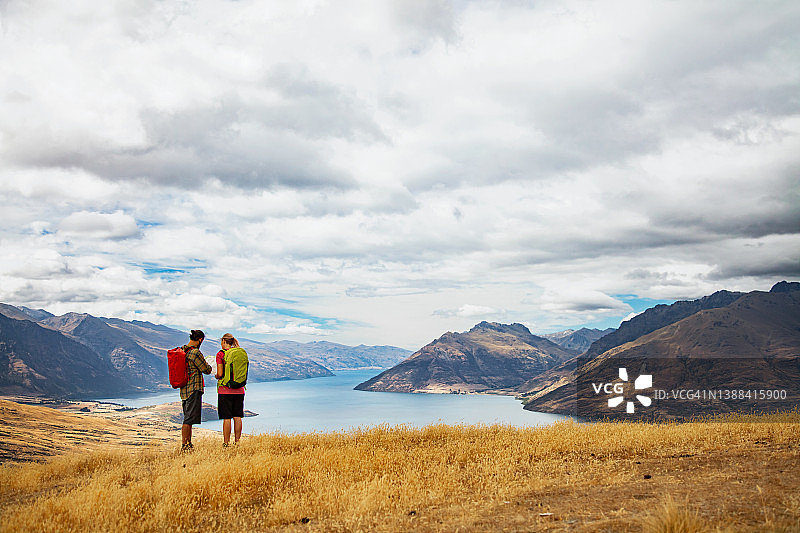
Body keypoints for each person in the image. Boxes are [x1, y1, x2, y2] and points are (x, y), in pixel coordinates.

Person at [180, 329, 212, 452]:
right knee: (188, 419)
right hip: (193, 388)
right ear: (200, 340)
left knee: (188, 417)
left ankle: (188, 444)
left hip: (184, 389)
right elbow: (206, 369)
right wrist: (210, 365)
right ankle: (185, 445)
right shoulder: (195, 353)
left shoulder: (182, 350)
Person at [215, 333, 248, 447]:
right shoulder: (239, 353)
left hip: (225, 390)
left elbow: (219, 374)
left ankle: (226, 443)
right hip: (239, 390)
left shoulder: (220, 354)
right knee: (237, 416)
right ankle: (237, 442)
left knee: (227, 417)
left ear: (224, 341)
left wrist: (216, 376)